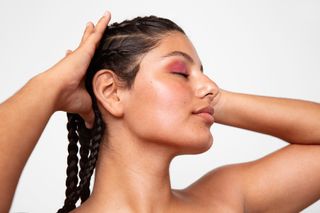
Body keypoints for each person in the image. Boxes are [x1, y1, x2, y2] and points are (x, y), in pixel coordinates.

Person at [1, 10, 320, 213]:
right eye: (181, 72)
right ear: (112, 92)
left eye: (203, 74)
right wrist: (48, 87)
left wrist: (212, 100)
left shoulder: (226, 200)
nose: (210, 84)